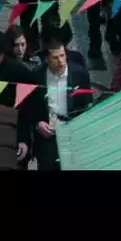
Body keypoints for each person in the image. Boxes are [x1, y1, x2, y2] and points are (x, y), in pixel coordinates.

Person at [17, 38, 93, 171]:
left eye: (63, 56)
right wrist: (37, 123)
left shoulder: (79, 74)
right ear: (47, 59)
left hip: (72, 134)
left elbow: (87, 106)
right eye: (55, 58)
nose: (61, 61)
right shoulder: (35, 76)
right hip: (47, 136)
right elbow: (26, 108)